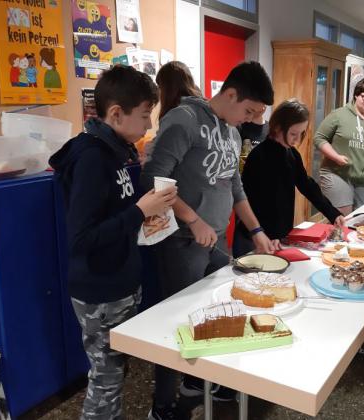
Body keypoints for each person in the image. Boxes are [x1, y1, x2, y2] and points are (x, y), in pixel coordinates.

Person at [141, 61, 276, 420]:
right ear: (230, 94)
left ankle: (194, 381)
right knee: (177, 321)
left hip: (216, 238)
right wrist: (193, 219)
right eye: (248, 110)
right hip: (182, 240)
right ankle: (163, 405)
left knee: (215, 312)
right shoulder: (184, 120)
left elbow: (234, 186)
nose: (249, 119)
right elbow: (154, 177)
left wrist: (257, 230)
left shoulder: (232, 132)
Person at [49, 65, 178, 420]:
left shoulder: (118, 149)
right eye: (144, 116)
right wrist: (139, 210)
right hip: (100, 290)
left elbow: (116, 215)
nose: (148, 126)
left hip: (121, 281)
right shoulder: (91, 157)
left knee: (114, 374)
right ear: (116, 114)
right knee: (105, 381)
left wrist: (150, 215)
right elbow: (82, 239)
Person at [233, 98, 344, 257]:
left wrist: (332, 213)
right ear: (277, 127)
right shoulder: (259, 157)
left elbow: (307, 185)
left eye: (301, 134)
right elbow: (252, 201)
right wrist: (266, 234)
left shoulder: (291, 154)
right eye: (293, 133)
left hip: (277, 236)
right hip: (254, 236)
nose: (297, 140)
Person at [313, 78, 364, 215]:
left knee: (360, 217)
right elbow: (319, 138)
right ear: (356, 95)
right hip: (338, 173)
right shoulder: (339, 114)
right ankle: (336, 237)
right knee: (343, 216)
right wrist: (335, 157)